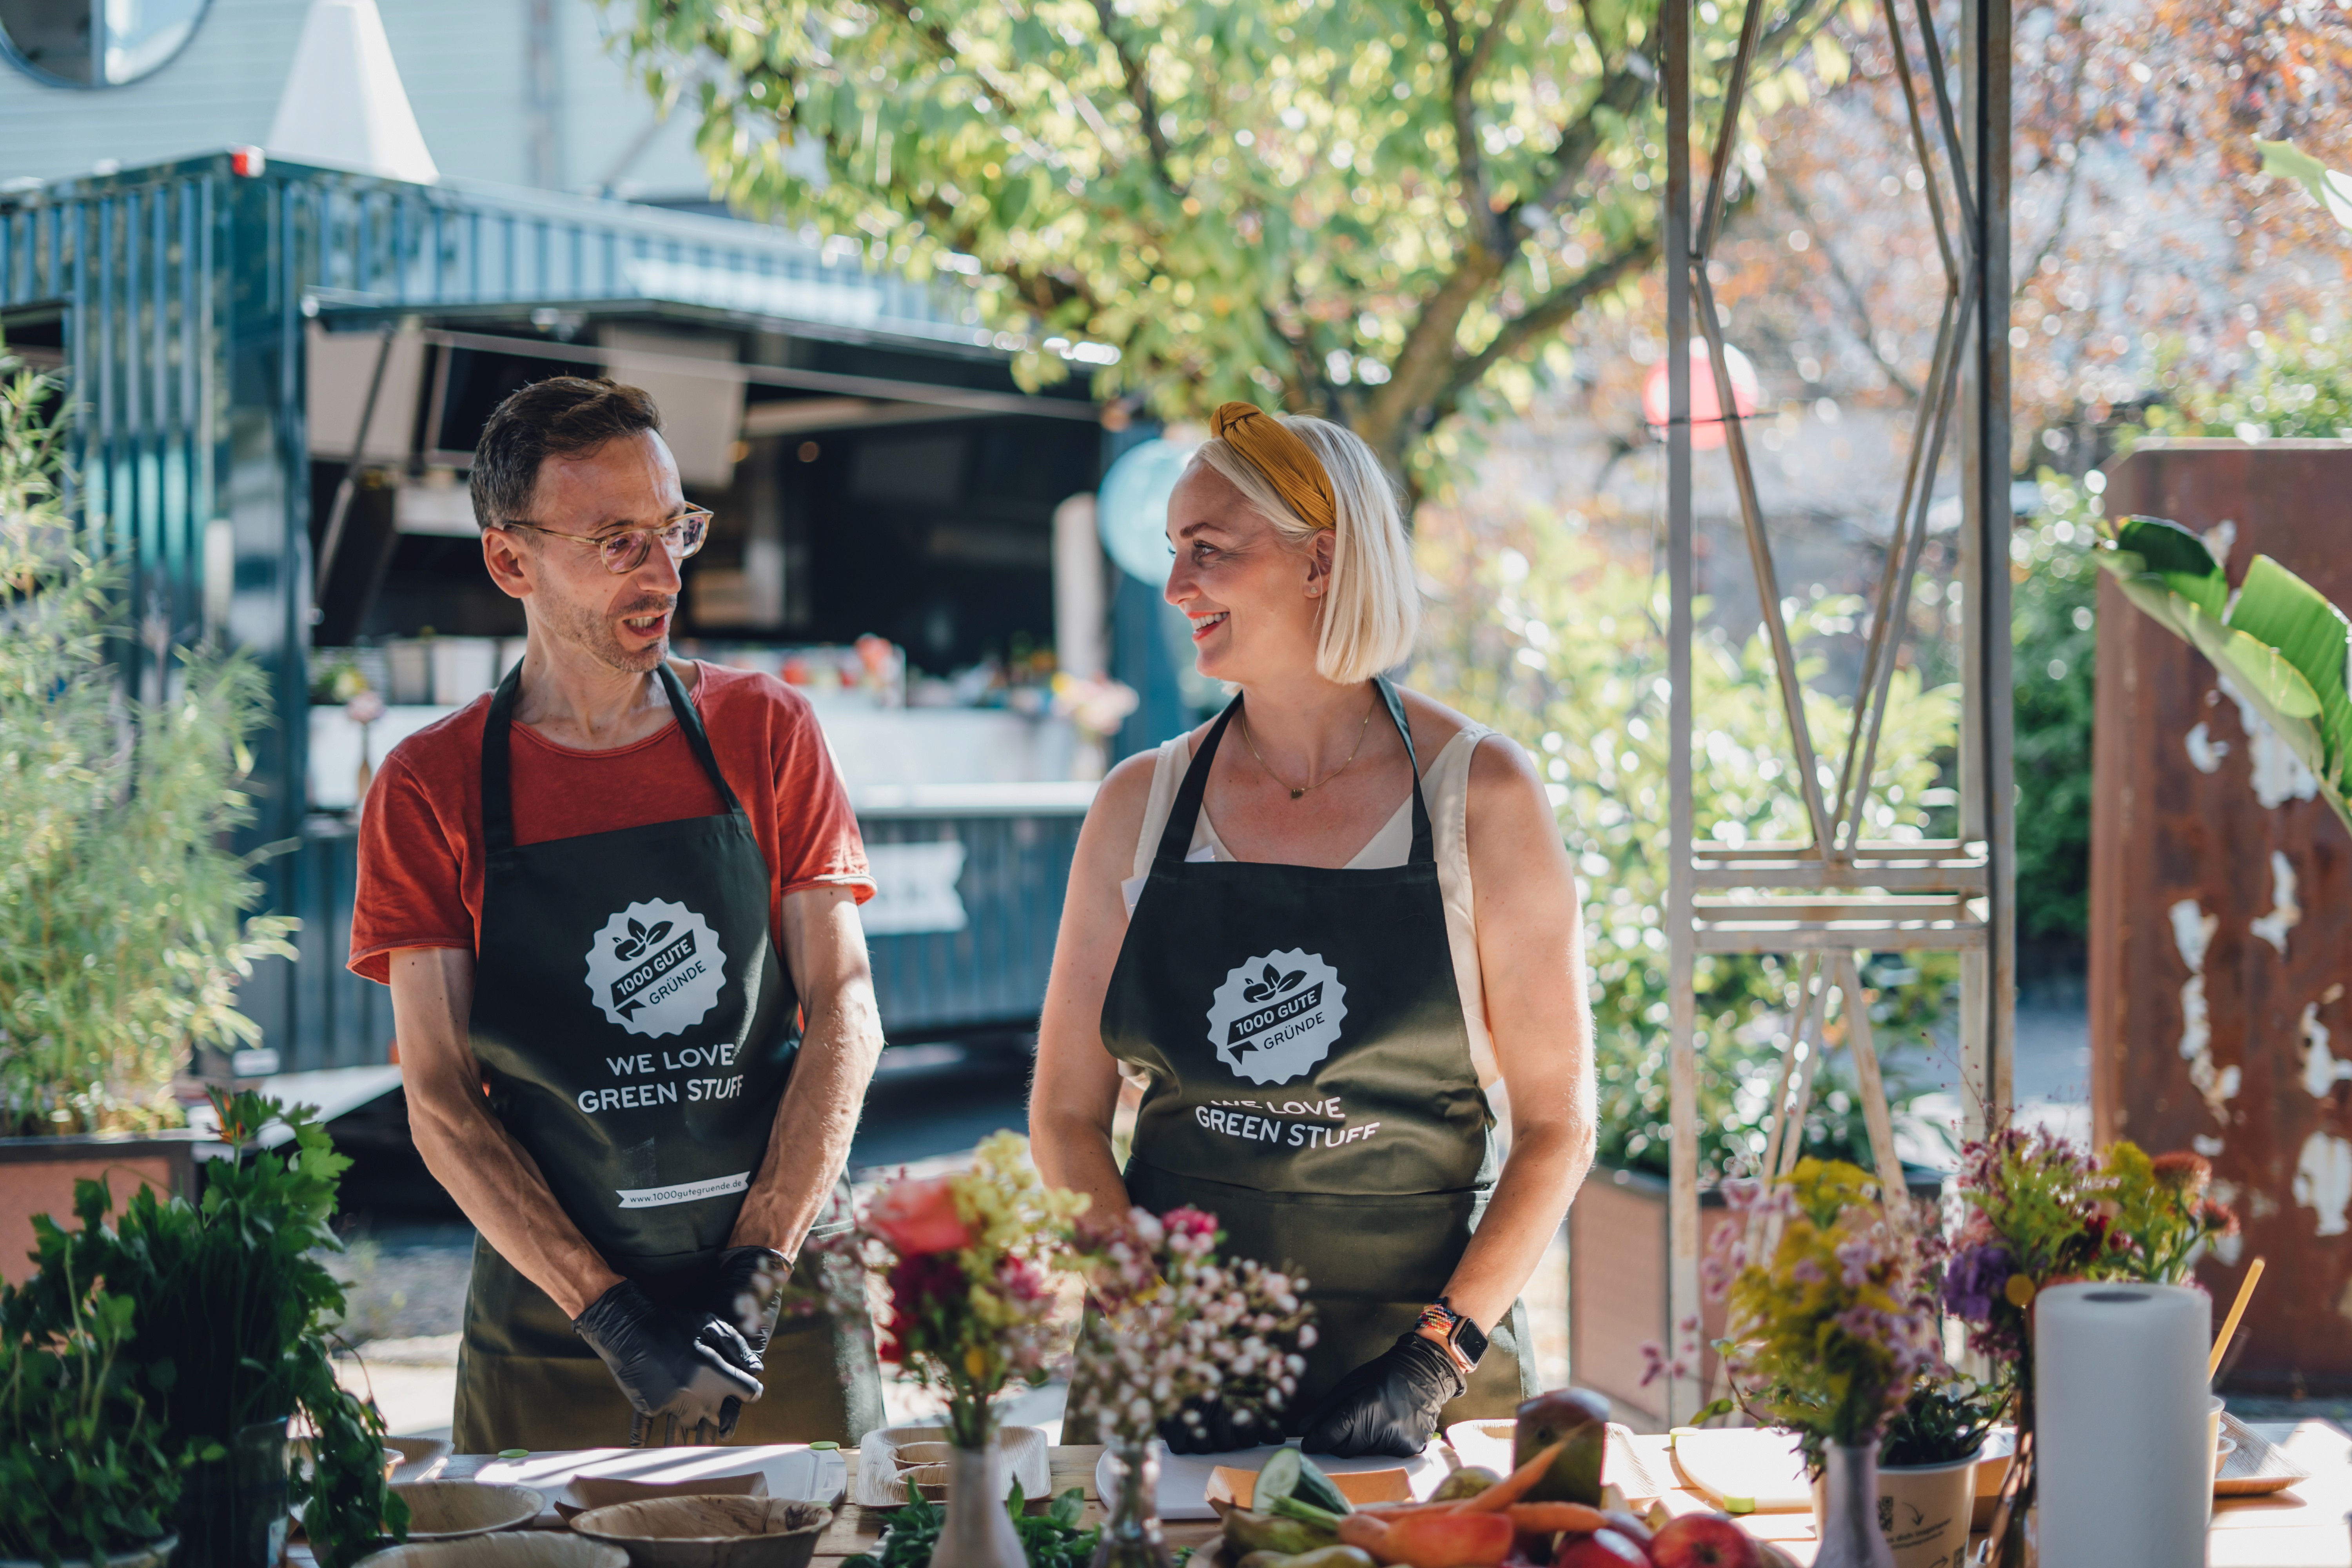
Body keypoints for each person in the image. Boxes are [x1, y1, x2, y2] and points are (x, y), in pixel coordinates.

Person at [1031, 403, 1597, 1458]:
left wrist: (1436, 1360)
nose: (1176, 588)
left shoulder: (1482, 795)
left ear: (1320, 560)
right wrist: (1149, 1325)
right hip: (1167, 1377)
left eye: (1210, 552)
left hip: (1413, 1378)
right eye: (1173, 553)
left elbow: (1559, 1124)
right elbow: (1066, 1119)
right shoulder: (1137, 806)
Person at [349, 377, 887, 1451]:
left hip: (773, 1312)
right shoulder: (430, 785)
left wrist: (756, 1275)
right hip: (555, 1327)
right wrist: (609, 1313)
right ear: (512, 561)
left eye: (673, 530)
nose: (663, 575)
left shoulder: (765, 733)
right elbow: (445, 1099)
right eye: (615, 542)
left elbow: (844, 1013)